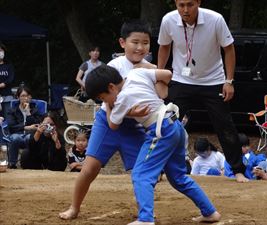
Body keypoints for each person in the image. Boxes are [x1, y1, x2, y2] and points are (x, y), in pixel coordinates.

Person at [86, 63, 221, 225]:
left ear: (111, 87)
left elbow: (112, 124)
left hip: (160, 131)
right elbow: (167, 74)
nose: (104, 101)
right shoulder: (137, 73)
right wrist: (159, 91)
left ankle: (145, 219)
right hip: (175, 126)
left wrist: (108, 106)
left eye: (102, 97)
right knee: (178, 177)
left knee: (140, 174)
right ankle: (210, 212)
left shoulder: (121, 99)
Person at [59, 19, 154, 220]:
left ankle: (145, 215)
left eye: (145, 43)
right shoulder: (115, 65)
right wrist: (125, 114)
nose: (140, 47)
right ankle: (74, 207)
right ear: (122, 43)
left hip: (133, 126)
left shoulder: (151, 67)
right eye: (135, 42)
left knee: (144, 172)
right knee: (90, 167)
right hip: (107, 121)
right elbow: (108, 103)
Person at [157, 0, 248, 182]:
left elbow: (229, 49)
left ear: (198, 2)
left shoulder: (215, 19)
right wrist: (158, 75)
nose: (185, 10)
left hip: (212, 80)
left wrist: (228, 81)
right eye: (181, 5)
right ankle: (158, 169)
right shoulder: (168, 20)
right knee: (166, 123)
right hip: (181, 79)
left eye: (190, 5)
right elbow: (164, 47)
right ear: (176, 3)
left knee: (225, 125)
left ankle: (238, 170)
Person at [6, 86, 42, 169]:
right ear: (18, 97)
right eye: (22, 96)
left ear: (30, 97)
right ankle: (12, 164)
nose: (25, 98)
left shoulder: (35, 109)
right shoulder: (12, 110)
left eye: (27, 96)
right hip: (17, 135)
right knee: (15, 138)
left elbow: (37, 125)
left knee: (31, 138)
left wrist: (28, 112)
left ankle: (31, 164)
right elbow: (11, 127)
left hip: (30, 136)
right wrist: (27, 127)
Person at [0, 43, 15, 119]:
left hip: (7, 96)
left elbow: (11, 78)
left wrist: (4, 84)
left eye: (1, 50)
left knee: (9, 118)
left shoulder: (9, 66)